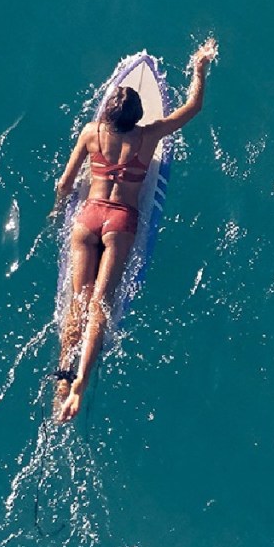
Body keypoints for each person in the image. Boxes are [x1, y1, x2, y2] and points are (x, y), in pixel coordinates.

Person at [52, 38, 217, 422]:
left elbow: (64, 183)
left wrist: (57, 211)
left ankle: (62, 378)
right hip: (119, 222)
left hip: (87, 217)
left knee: (78, 301)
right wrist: (199, 67)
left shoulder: (91, 132)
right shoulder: (147, 137)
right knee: (100, 307)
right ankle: (81, 385)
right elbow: (193, 108)